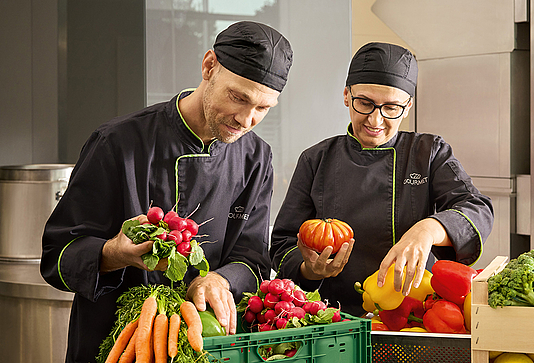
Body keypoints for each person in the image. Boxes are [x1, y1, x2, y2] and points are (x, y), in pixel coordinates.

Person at [40, 21, 293, 362]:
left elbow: (252, 258)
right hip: (116, 343)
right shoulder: (117, 142)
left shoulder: (256, 158)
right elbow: (58, 255)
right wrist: (114, 252)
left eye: (263, 109)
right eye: (238, 97)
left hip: (204, 346)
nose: (246, 120)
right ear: (209, 67)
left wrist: (220, 280)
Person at [270, 42, 493, 317]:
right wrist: (309, 269)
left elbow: (478, 209)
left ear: (408, 106)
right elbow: (282, 243)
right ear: (346, 95)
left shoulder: (428, 153)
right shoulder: (315, 159)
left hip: (415, 315)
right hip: (335, 317)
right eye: (365, 103)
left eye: (391, 107)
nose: (375, 119)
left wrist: (427, 230)